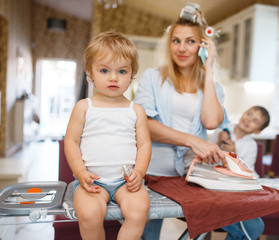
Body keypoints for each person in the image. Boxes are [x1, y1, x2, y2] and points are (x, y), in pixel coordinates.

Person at [134, 3, 263, 239]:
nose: (182, 48)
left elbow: (211, 121)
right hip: (151, 173)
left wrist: (210, 69)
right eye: (176, 40)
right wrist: (193, 142)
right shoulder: (152, 78)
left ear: (202, 46)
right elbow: (145, 126)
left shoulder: (213, 87)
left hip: (193, 174)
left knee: (253, 227)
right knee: (145, 236)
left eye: (190, 41)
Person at [64, 30, 151, 240]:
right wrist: (80, 172)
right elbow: (71, 142)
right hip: (92, 182)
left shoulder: (136, 110)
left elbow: (145, 145)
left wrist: (139, 172)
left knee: (139, 211)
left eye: (122, 71)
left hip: (126, 182)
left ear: (132, 73)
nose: (113, 77)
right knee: (89, 213)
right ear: (91, 72)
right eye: (104, 70)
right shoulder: (84, 107)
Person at [209, 105, 270, 178]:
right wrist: (219, 140)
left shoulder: (252, 145)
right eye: (249, 114)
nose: (249, 119)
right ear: (244, 112)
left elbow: (247, 170)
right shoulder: (221, 131)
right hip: (215, 174)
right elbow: (207, 155)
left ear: (257, 131)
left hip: (236, 178)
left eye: (255, 121)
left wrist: (234, 154)